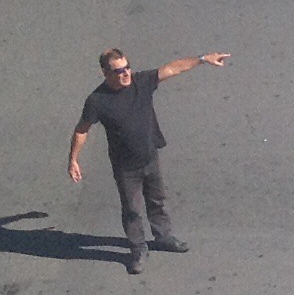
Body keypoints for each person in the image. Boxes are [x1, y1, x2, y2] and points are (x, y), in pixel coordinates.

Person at [67, 46, 230, 274]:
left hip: (150, 156)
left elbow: (173, 68)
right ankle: (138, 249)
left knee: (157, 200)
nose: (125, 74)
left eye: (127, 68)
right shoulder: (97, 100)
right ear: (105, 73)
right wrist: (73, 159)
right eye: (118, 71)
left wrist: (203, 59)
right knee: (132, 210)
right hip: (125, 166)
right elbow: (82, 130)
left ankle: (163, 237)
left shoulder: (141, 82)